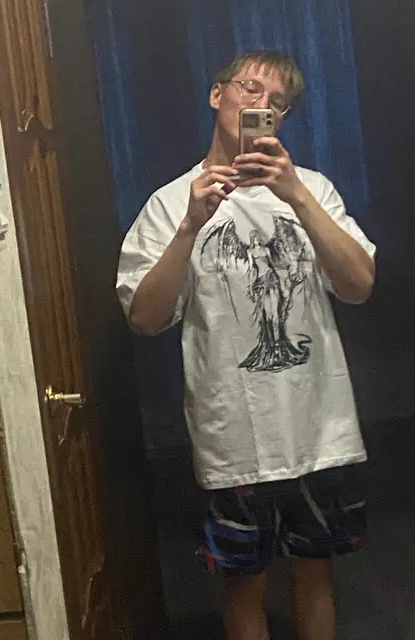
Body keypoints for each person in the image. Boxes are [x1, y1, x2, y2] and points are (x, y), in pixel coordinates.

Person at [116, 50, 376, 640]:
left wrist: (296, 196)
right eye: (250, 88)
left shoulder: (313, 190)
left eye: (276, 102)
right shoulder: (171, 203)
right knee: (243, 586)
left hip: (319, 431)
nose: (261, 104)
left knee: (316, 576)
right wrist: (190, 226)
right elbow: (145, 317)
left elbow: (359, 285)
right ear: (218, 95)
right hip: (233, 437)